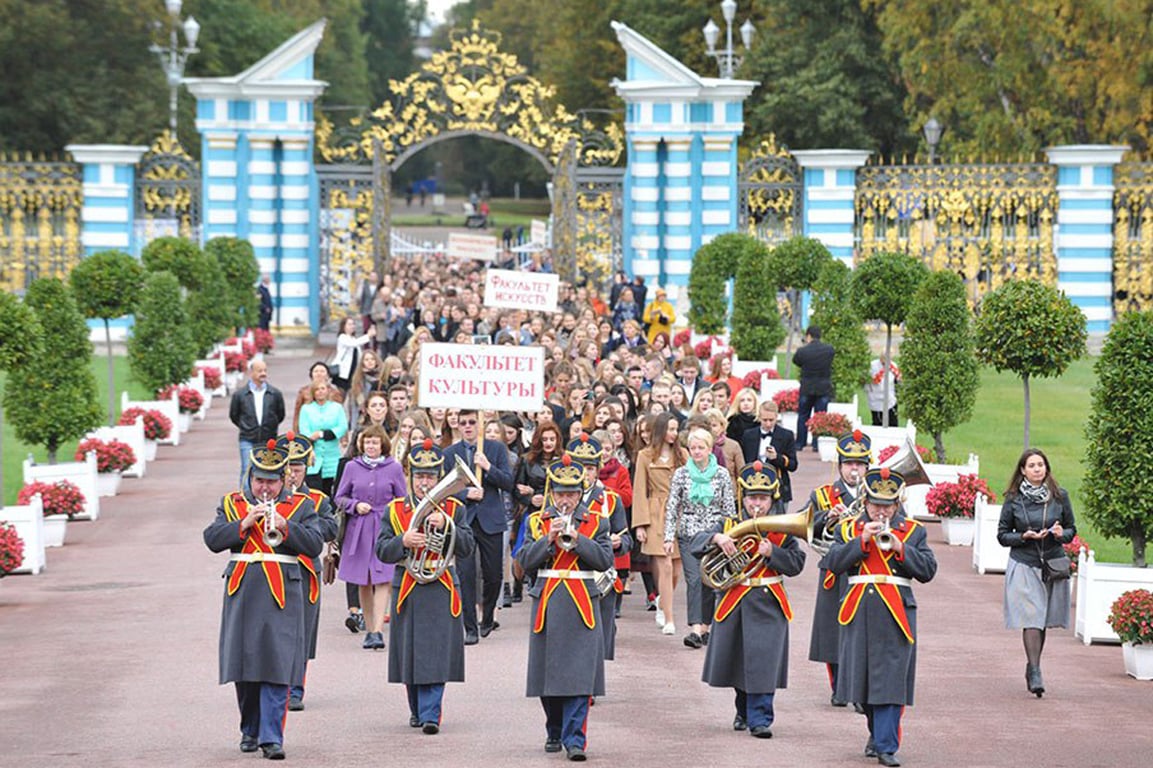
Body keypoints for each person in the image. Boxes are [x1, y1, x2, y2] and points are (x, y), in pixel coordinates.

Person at [203, 440, 322, 760]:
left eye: (271, 482)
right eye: (259, 481)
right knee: (245, 665)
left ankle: (272, 737)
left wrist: (286, 526)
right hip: (243, 591)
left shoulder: (301, 506)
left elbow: (314, 544)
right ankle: (250, 729)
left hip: (283, 593)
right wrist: (243, 524)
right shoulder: (232, 503)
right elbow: (211, 539)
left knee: (277, 664)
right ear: (250, 478)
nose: (264, 488)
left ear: (282, 480)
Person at [825, 467, 938, 767]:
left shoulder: (913, 531)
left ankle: (887, 745)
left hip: (896, 613)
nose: (881, 512)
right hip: (858, 610)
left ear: (897, 505)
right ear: (865, 503)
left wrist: (901, 548)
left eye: (887, 506)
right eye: (876, 505)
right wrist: (860, 542)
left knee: (890, 681)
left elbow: (928, 570)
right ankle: (877, 734)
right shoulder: (848, 528)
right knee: (861, 684)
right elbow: (832, 563)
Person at [692, 461, 806, 737]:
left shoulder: (781, 529)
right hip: (735, 600)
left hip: (769, 602)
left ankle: (760, 719)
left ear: (772, 500)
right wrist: (717, 538)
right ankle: (743, 710)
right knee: (737, 660)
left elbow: (797, 563)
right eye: (752, 498)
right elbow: (695, 542)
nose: (757, 504)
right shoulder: (729, 524)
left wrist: (773, 553)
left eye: (763, 499)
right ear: (743, 497)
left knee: (763, 662)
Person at [516, 456, 613, 762]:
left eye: (571, 493)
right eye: (560, 494)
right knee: (548, 673)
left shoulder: (597, 521)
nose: (565, 500)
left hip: (582, 602)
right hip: (548, 600)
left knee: (579, 674)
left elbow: (605, 560)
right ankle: (555, 730)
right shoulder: (537, 521)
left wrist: (579, 540)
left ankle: (575, 740)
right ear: (552, 493)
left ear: (580, 494)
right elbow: (524, 562)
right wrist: (548, 539)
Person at [376, 438, 476, 734]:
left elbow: (468, 548)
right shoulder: (395, 510)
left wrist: (448, 527)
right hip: (408, 584)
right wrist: (403, 541)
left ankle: (431, 712)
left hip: (441, 584)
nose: (424, 483)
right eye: (419, 476)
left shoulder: (454, 509)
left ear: (439, 477)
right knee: (410, 651)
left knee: (436, 650)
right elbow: (382, 550)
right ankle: (417, 709)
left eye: (430, 477)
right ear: (410, 476)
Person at [996, 448, 1076, 698]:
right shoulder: (1013, 499)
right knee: (1031, 616)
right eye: (1031, 465)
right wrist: (1024, 536)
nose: (1037, 469)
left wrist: (1061, 534)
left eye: (1040, 464)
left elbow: (1071, 529)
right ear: (1023, 470)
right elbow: (1002, 535)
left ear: (1046, 468)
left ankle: (1032, 664)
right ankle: (1035, 670)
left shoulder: (1060, 496)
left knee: (1041, 619)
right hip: (1024, 563)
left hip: (1051, 564)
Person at [807, 430, 871, 707]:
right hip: (835, 570)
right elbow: (804, 525)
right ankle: (839, 687)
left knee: (863, 631)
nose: (854, 469)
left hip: (867, 569)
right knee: (834, 631)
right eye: (849, 463)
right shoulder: (823, 495)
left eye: (860, 464)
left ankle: (858, 689)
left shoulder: (877, 494)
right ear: (840, 465)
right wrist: (825, 517)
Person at [278, 432, 340, 712]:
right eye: (287, 469)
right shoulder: (267, 498)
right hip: (275, 568)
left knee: (301, 631)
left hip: (304, 570)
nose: (292, 475)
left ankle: (295, 688)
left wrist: (301, 524)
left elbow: (331, 528)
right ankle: (275, 683)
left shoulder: (317, 499)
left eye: (298, 468)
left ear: (307, 468)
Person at [444, 408, 516, 645]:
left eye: (472, 422)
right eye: (463, 422)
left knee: (493, 574)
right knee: (465, 575)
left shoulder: (495, 449)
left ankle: (487, 617)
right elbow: (444, 489)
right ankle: (469, 627)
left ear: (480, 424)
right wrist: (465, 493)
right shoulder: (450, 453)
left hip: (491, 520)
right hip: (464, 520)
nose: (468, 426)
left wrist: (488, 467)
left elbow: (508, 482)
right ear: (457, 425)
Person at [664, 427, 737, 649]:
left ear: (710, 449)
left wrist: (729, 534)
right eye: (693, 448)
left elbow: (729, 509)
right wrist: (668, 537)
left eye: (701, 447)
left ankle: (705, 627)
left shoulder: (721, 474)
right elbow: (672, 507)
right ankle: (695, 629)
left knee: (710, 580)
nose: (696, 452)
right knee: (694, 579)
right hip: (688, 533)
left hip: (714, 534)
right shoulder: (681, 474)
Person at [335, 425, 407, 650]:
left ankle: (377, 631)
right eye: (367, 442)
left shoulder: (394, 467)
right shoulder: (352, 467)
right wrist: (355, 505)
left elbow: (402, 499)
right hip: (359, 529)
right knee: (363, 580)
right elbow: (339, 497)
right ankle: (369, 629)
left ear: (382, 444)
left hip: (384, 528)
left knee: (383, 577)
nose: (371, 446)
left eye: (375, 442)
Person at [567, 434, 631, 660]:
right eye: (580, 468)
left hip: (601, 575)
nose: (585, 473)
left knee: (601, 637)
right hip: (570, 572)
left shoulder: (611, 500)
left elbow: (626, 539)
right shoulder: (559, 497)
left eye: (590, 468)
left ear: (597, 469)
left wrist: (619, 542)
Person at [631, 413, 686, 636]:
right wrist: (640, 524)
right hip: (656, 512)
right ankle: (669, 617)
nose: (674, 433)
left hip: (679, 512)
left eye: (676, 429)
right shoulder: (645, 456)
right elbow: (639, 490)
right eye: (670, 429)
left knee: (677, 570)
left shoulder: (683, 454)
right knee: (665, 565)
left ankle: (663, 600)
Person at [229, 359, 286, 487]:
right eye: (259, 371)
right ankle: (245, 496)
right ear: (251, 372)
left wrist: (270, 427)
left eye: (265, 370)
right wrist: (246, 426)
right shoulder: (240, 394)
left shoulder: (275, 393)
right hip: (247, 438)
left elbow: (280, 414)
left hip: (269, 439)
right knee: (247, 469)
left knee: (268, 470)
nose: (263, 373)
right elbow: (234, 415)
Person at [738, 401, 798, 515]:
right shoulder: (748, 435)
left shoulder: (786, 435)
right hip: (753, 487)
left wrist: (777, 457)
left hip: (777, 488)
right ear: (759, 417)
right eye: (765, 420)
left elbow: (793, 465)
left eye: (771, 420)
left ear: (777, 417)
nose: (768, 424)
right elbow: (744, 461)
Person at [297, 380, 347, 496]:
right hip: (314, 456)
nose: (320, 392)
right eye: (317, 389)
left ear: (328, 390)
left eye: (322, 388)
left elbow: (342, 427)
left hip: (332, 457)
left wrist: (322, 434)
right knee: (315, 493)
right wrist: (310, 437)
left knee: (331, 491)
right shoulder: (306, 409)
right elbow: (304, 430)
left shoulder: (337, 407)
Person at [792, 325, 835, 452]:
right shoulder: (829, 350)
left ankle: (800, 442)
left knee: (803, 415)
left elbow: (797, 361)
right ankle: (817, 443)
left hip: (807, 386)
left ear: (808, 336)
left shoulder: (802, 351)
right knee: (820, 416)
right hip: (823, 387)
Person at [330, 316, 376, 393]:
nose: (352, 326)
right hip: (343, 371)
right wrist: (368, 336)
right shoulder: (342, 337)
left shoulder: (353, 338)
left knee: (353, 391)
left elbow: (359, 355)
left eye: (353, 324)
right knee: (341, 392)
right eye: (349, 324)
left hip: (353, 370)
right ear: (343, 326)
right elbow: (353, 343)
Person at [866, 354, 901, 427]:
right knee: (878, 424)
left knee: (893, 423)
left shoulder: (893, 366)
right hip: (876, 400)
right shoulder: (872, 366)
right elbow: (869, 381)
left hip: (890, 400)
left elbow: (897, 380)